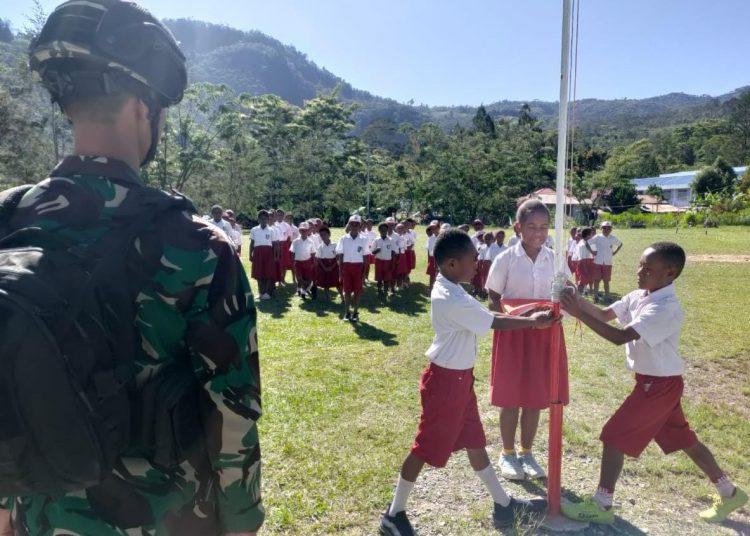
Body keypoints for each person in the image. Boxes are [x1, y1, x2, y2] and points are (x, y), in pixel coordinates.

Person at [2, 2, 264, 534]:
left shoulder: (8, 220)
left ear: (68, 104)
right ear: (145, 108)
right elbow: (232, 415)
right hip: (162, 518)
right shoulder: (197, 246)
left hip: (37, 512)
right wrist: (241, 522)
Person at [379, 229, 554, 536]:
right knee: (424, 447)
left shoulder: (453, 288)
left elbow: (488, 314)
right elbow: (494, 320)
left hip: (458, 380)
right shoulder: (451, 296)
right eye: (473, 259)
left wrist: (529, 314)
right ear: (450, 264)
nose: (478, 264)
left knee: (475, 441)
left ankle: (503, 503)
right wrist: (533, 323)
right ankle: (394, 514)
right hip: (446, 383)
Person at [560, 242, 747, 525]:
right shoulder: (639, 295)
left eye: (648, 269)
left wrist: (577, 313)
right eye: (640, 265)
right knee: (684, 439)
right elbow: (603, 314)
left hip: (658, 386)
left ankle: (602, 503)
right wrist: (575, 296)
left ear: (669, 273)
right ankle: (729, 492)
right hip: (656, 383)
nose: (639, 271)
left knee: (613, 436)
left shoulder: (667, 308)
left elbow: (620, 337)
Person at [484, 199, 570, 481]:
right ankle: (507, 452)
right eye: (531, 226)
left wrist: (559, 310)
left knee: (535, 397)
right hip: (513, 335)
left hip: (545, 335)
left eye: (544, 227)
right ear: (517, 227)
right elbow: (494, 295)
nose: (538, 233)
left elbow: (569, 291)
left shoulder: (556, 259)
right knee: (510, 397)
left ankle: (526, 451)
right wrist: (509, 320)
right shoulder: (505, 259)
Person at [336, 215, 369, 322]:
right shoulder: (343, 238)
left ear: (360, 225)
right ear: (348, 225)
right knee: (347, 291)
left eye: (357, 224)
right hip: (346, 267)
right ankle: (347, 312)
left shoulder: (364, 239)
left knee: (358, 291)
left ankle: (355, 312)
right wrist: (340, 271)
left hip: (358, 267)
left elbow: (365, 257)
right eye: (352, 224)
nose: (354, 226)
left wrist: (364, 273)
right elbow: (340, 255)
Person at [589, 221, 622, 302]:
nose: (606, 229)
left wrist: (614, 252)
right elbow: (589, 243)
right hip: (597, 261)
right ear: (601, 228)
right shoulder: (597, 237)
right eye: (604, 228)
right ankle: (595, 296)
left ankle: (607, 296)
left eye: (608, 228)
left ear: (611, 229)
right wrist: (593, 251)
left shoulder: (612, 238)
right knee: (596, 280)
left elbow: (620, 244)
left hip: (607, 262)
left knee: (606, 281)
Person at [250, 209, 278, 300]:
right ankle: (261, 292)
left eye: (265, 218)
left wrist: (276, 256)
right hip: (258, 253)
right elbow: (252, 243)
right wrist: (251, 254)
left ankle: (267, 293)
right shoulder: (254, 230)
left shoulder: (271, 230)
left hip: (268, 253)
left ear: (268, 219)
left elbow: (275, 244)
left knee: (268, 273)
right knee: (259, 273)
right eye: (261, 218)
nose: (263, 220)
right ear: (258, 219)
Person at [290, 222, 316, 300]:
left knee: (307, 278)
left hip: (307, 262)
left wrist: (313, 262)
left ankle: (302, 292)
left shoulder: (311, 241)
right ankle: (302, 290)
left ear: (308, 231)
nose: (304, 232)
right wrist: (293, 262)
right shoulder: (295, 241)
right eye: (302, 230)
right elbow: (292, 253)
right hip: (298, 262)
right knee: (300, 278)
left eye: (305, 230)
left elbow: (313, 253)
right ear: (299, 231)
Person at [314, 226, 341, 301]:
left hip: (334, 265)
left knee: (337, 282)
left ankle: (342, 296)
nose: (323, 236)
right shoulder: (320, 247)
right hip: (323, 266)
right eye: (321, 235)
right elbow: (318, 258)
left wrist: (333, 266)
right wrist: (324, 267)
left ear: (329, 235)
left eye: (325, 234)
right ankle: (327, 297)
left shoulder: (335, 245)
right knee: (325, 283)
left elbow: (337, 257)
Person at [372, 222, 396, 298]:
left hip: (388, 262)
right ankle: (379, 291)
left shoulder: (391, 240)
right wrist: (377, 250)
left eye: (385, 230)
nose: (383, 232)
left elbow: (393, 252)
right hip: (379, 261)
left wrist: (392, 263)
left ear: (387, 230)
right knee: (379, 279)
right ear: (379, 230)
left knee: (386, 279)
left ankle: (385, 292)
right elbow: (372, 252)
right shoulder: (376, 240)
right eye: (381, 230)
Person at [575, 227, 596, 295]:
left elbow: (595, 253)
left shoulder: (587, 243)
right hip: (584, 264)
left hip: (589, 262)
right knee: (582, 281)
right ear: (588, 235)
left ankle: (581, 295)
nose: (593, 235)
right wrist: (585, 269)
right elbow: (582, 258)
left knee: (587, 280)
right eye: (591, 234)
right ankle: (578, 296)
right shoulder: (582, 245)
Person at [425, 222, 439, 290]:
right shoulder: (430, 238)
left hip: (440, 258)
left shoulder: (442, 237)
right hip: (432, 258)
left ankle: (438, 288)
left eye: (435, 228)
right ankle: (431, 287)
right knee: (432, 274)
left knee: (439, 274)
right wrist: (429, 259)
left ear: (438, 228)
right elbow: (428, 249)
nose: (433, 230)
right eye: (432, 228)